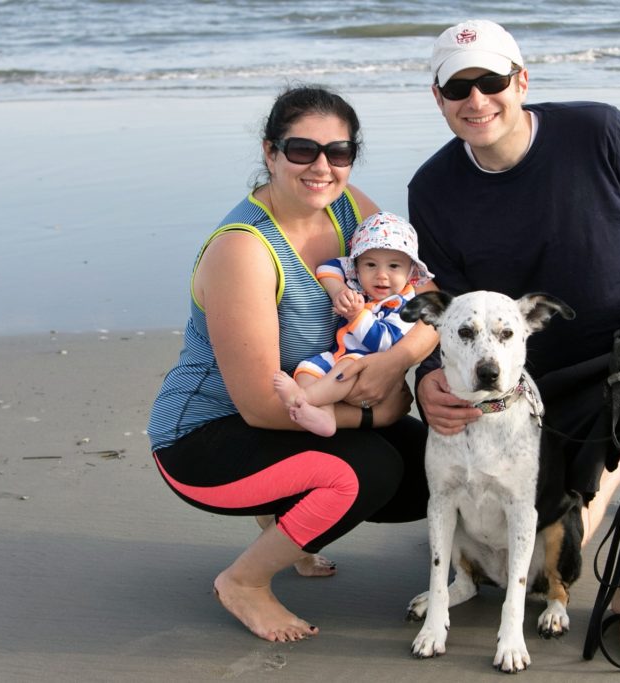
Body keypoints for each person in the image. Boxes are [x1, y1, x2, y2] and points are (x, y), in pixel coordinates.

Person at [409, 20, 620, 664]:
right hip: (522, 380)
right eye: (458, 87)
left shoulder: (599, 131)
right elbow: (449, 317)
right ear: (437, 97)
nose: (477, 100)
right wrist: (425, 380)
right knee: (543, 506)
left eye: (492, 81)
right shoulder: (431, 191)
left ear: (521, 81)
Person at [147, 86, 437, 643]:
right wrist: (379, 412)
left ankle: (284, 528)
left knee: (430, 469)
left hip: (315, 399)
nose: (322, 167)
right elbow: (259, 405)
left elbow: (429, 294)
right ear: (271, 152)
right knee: (369, 472)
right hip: (206, 433)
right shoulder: (245, 248)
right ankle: (244, 582)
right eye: (302, 150)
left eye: (340, 152)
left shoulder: (353, 210)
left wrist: (400, 358)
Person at [273, 211, 434, 437]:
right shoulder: (357, 283)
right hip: (339, 353)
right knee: (307, 369)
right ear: (356, 267)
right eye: (370, 264)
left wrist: (357, 316)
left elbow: (385, 342)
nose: (381, 276)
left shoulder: (404, 303)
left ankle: (302, 399)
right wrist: (339, 290)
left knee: (344, 369)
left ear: (411, 272)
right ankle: (326, 417)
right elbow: (327, 268)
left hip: (366, 363)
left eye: (394, 267)